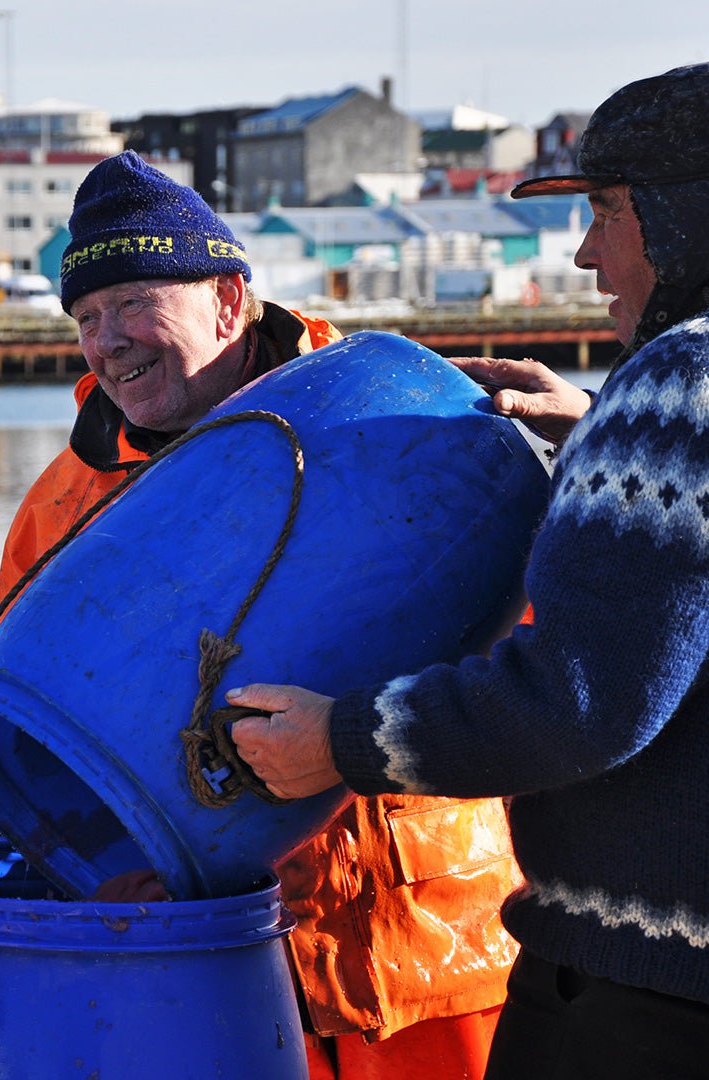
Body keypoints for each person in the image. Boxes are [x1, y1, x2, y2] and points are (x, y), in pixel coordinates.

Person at [0, 150, 522, 1080]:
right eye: (85, 317)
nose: (107, 340)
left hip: (430, 951)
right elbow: (31, 735)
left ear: (229, 300)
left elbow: (547, 679)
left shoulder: (411, 428)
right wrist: (111, 872)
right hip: (221, 964)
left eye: (131, 304)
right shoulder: (60, 507)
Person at [228, 64, 709, 1079]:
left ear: (684, 215)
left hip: (645, 991)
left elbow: (580, 700)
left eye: (608, 211)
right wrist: (602, 442)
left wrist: (339, 742)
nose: (584, 255)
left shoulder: (679, 384)